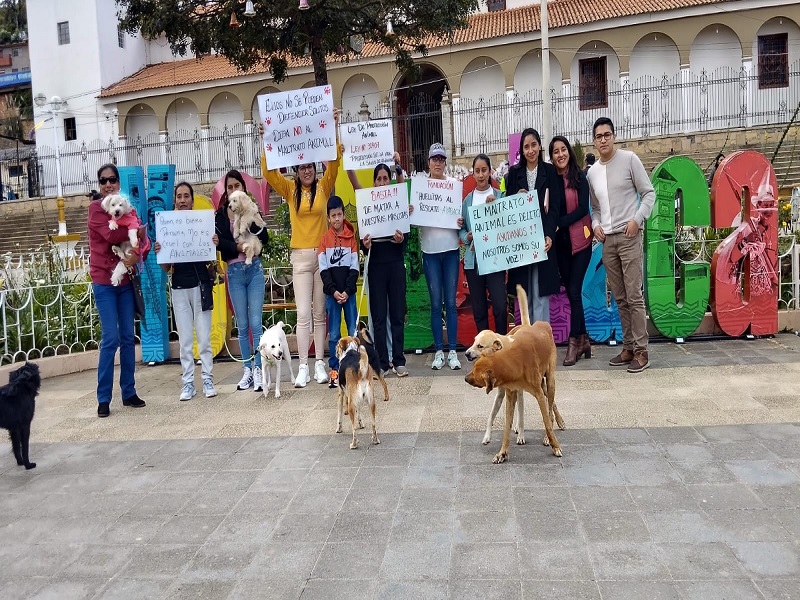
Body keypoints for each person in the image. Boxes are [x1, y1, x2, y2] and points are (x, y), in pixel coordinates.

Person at [261, 110, 342, 387]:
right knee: (304, 314)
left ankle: (320, 362)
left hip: (322, 257)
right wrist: (266, 140)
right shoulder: (289, 190)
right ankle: (304, 366)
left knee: (320, 313)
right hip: (300, 257)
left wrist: (334, 126)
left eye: (310, 166)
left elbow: (335, 160)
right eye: (301, 167)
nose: (307, 170)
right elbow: (268, 173)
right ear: (296, 170)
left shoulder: (324, 187)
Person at [588, 116, 655, 373]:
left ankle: (641, 351)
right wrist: (596, 226)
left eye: (607, 134)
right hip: (608, 240)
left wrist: (638, 219)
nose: (603, 139)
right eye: (598, 136)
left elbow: (648, 193)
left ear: (614, 136)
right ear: (594, 141)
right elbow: (595, 208)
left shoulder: (629, 160)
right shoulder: (592, 173)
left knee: (634, 295)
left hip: (628, 236)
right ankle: (628, 347)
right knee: (620, 297)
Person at [88, 163, 149, 418]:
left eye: (112, 179)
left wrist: (138, 254)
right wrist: (135, 227)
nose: (108, 184)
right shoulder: (96, 209)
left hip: (125, 282)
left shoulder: (126, 205)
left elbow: (143, 241)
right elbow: (113, 237)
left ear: (118, 182)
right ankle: (103, 398)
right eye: (103, 181)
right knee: (110, 339)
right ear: (99, 185)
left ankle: (128, 392)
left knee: (127, 338)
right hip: (104, 281)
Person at [154, 182, 218, 400]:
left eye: (186, 196)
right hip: (179, 287)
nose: (182, 200)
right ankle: (188, 382)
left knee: (204, 337)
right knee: (185, 341)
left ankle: (208, 378)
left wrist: (213, 243)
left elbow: (211, 258)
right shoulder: (168, 226)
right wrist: (160, 252)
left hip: (201, 286)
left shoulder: (203, 223)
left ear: (192, 200)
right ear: (175, 201)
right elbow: (165, 267)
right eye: (179, 196)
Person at [349, 154, 409, 377]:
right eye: (379, 179)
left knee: (396, 314)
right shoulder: (368, 202)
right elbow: (354, 184)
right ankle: (382, 363)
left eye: (386, 178)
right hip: (375, 266)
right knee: (378, 317)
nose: (382, 182)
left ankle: (399, 360)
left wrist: (398, 167)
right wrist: (365, 245)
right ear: (373, 182)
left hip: (394, 265)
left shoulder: (397, 198)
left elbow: (406, 236)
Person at [215, 169, 270, 391]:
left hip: (254, 268)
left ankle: (258, 368)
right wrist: (237, 247)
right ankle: (247, 369)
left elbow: (264, 236)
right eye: (229, 186)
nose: (233, 189)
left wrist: (253, 219)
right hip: (235, 272)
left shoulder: (252, 208)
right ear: (226, 191)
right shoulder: (220, 215)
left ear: (243, 189)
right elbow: (219, 243)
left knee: (256, 323)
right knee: (243, 324)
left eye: (237, 185)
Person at [412, 143, 463, 370]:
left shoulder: (453, 186)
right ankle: (438, 352)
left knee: (451, 303)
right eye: (435, 159)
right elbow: (414, 221)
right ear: (428, 163)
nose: (438, 163)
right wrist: (412, 212)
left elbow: (460, 217)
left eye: (442, 159)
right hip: (430, 253)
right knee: (435, 304)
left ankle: (452, 350)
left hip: (451, 251)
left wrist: (460, 221)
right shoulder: (420, 187)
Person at [503, 128, 561, 323]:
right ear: (522, 150)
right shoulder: (513, 173)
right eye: (526, 147)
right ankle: (527, 343)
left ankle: (542, 342)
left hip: (542, 238)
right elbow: (507, 207)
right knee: (524, 292)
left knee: (541, 292)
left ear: (539, 146)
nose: (530, 150)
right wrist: (515, 198)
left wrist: (549, 235)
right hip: (522, 241)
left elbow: (555, 208)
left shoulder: (550, 171)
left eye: (533, 145)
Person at [550, 136, 593, 366]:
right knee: (571, 292)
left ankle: (574, 343)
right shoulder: (551, 180)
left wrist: (559, 222)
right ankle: (585, 339)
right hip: (561, 246)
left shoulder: (580, 177)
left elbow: (582, 209)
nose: (560, 154)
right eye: (555, 151)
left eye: (563, 149)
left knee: (575, 291)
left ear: (569, 152)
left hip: (581, 242)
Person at [459, 153, 508, 335]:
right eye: (477, 171)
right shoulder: (467, 201)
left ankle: (502, 344)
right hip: (474, 262)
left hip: (495, 261)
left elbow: (509, 221)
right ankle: (483, 349)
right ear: (473, 174)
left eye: (484, 170)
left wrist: (498, 206)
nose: (480, 175)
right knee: (479, 310)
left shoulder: (499, 196)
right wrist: (467, 237)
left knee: (500, 306)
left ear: (490, 172)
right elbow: (462, 229)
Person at [318, 195, 359, 387]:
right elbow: (324, 271)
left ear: (344, 214)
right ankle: (334, 370)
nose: (336, 219)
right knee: (334, 334)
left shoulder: (351, 238)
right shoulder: (324, 241)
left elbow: (354, 267)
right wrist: (334, 291)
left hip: (348, 295)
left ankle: (355, 368)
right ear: (328, 217)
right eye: (333, 215)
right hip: (332, 295)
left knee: (353, 331)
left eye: (339, 214)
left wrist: (348, 291)